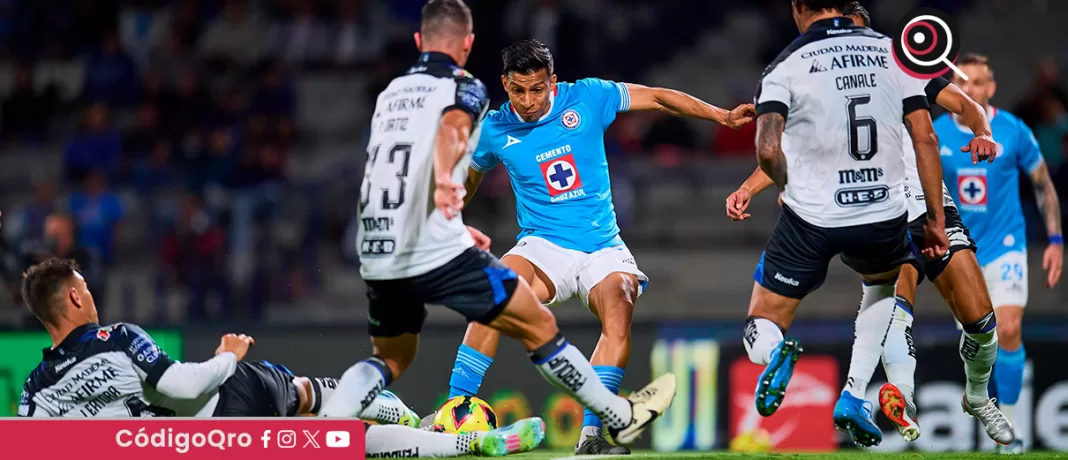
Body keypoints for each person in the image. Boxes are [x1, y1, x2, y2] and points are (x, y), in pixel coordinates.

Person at [321, 1, 677, 449]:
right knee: (535, 325)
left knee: (390, 358)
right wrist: (447, 199)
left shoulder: (391, 91)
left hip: (378, 237)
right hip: (439, 234)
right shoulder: (466, 89)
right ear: (468, 46)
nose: (527, 100)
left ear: (418, 43)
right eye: (518, 90)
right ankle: (612, 416)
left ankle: (333, 432)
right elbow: (453, 134)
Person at [439, 38, 755, 455]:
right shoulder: (494, 128)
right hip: (541, 245)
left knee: (620, 304)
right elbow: (469, 178)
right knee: (495, 295)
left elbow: (658, 97)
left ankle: (591, 437)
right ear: (505, 84)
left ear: (553, 82)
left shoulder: (588, 96)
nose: (529, 100)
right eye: (519, 90)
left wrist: (722, 116)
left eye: (538, 89)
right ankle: (452, 412)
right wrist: (453, 221)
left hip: (602, 246)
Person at [725, 1, 1017, 449]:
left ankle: (975, 396)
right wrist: (751, 186)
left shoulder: (892, 62)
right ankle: (878, 395)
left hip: (920, 203)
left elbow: (963, 104)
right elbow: (807, 149)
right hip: (886, 207)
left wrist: (983, 132)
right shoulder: (858, 67)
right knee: (892, 299)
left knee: (980, 322)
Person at [741, 0, 950, 434]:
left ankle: (774, 351)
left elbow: (766, 149)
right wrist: (933, 218)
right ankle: (854, 394)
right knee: (881, 285)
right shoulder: (894, 53)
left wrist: (784, 185)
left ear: (799, 7)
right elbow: (925, 138)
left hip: (811, 218)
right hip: (881, 213)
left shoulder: (786, 65)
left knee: (763, 317)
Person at [940, 53, 1063, 455]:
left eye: (979, 82)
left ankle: (1011, 431)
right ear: (953, 87)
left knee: (1009, 330)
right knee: (981, 345)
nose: (971, 89)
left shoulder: (1012, 130)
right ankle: (985, 418)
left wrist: (1056, 241)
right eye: (964, 82)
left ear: (990, 88)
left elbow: (1043, 184)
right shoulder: (935, 132)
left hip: (1007, 245)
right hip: (961, 254)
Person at [16, 258, 253, 418]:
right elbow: (186, 385)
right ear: (75, 296)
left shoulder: (35, 387)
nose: (91, 296)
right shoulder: (117, 338)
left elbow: (25, 447)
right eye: (86, 288)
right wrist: (228, 356)